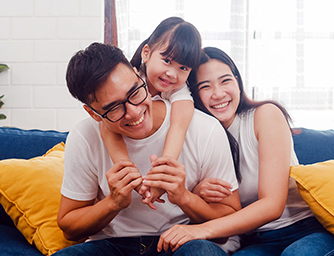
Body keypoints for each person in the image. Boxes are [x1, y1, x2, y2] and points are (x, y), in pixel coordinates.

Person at [156, 47, 334, 256]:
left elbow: (272, 205)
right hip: (255, 240)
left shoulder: (265, 115)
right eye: (205, 86)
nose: (218, 93)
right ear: (194, 95)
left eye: (225, 80)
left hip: (304, 229)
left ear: (238, 83)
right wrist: (198, 194)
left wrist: (200, 230)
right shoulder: (201, 137)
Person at [54, 42, 241, 256]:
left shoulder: (204, 129)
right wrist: (112, 203)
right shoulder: (84, 137)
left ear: (139, 75)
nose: (134, 112)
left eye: (135, 92)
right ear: (94, 114)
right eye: (114, 108)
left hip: (182, 241)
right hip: (114, 245)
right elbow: (69, 227)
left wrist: (183, 196)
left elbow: (229, 222)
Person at [100, 17, 199, 209]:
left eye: (183, 68)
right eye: (167, 60)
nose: (172, 73)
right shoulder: (131, 80)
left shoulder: (179, 91)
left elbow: (179, 126)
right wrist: (132, 179)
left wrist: (162, 174)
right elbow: (107, 128)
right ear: (146, 53)